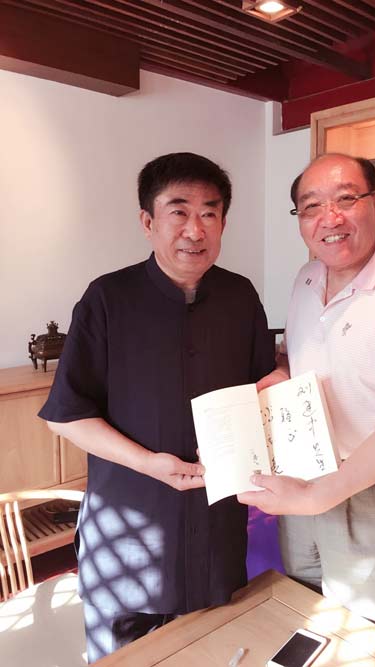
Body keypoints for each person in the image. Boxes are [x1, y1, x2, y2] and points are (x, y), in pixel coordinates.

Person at [39, 152, 275, 662]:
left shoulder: (240, 296)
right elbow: (67, 415)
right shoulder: (107, 298)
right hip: (129, 538)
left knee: (213, 651)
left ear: (224, 223)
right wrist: (147, 463)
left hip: (215, 534)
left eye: (209, 213)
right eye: (179, 211)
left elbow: (263, 383)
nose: (195, 229)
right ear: (148, 222)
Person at [238, 153, 375, 633]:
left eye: (346, 199)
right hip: (306, 474)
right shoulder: (306, 278)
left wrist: (317, 496)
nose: (330, 218)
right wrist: (279, 377)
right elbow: (295, 356)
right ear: (300, 219)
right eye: (311, 206)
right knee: (303, 613)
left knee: (362, 635)